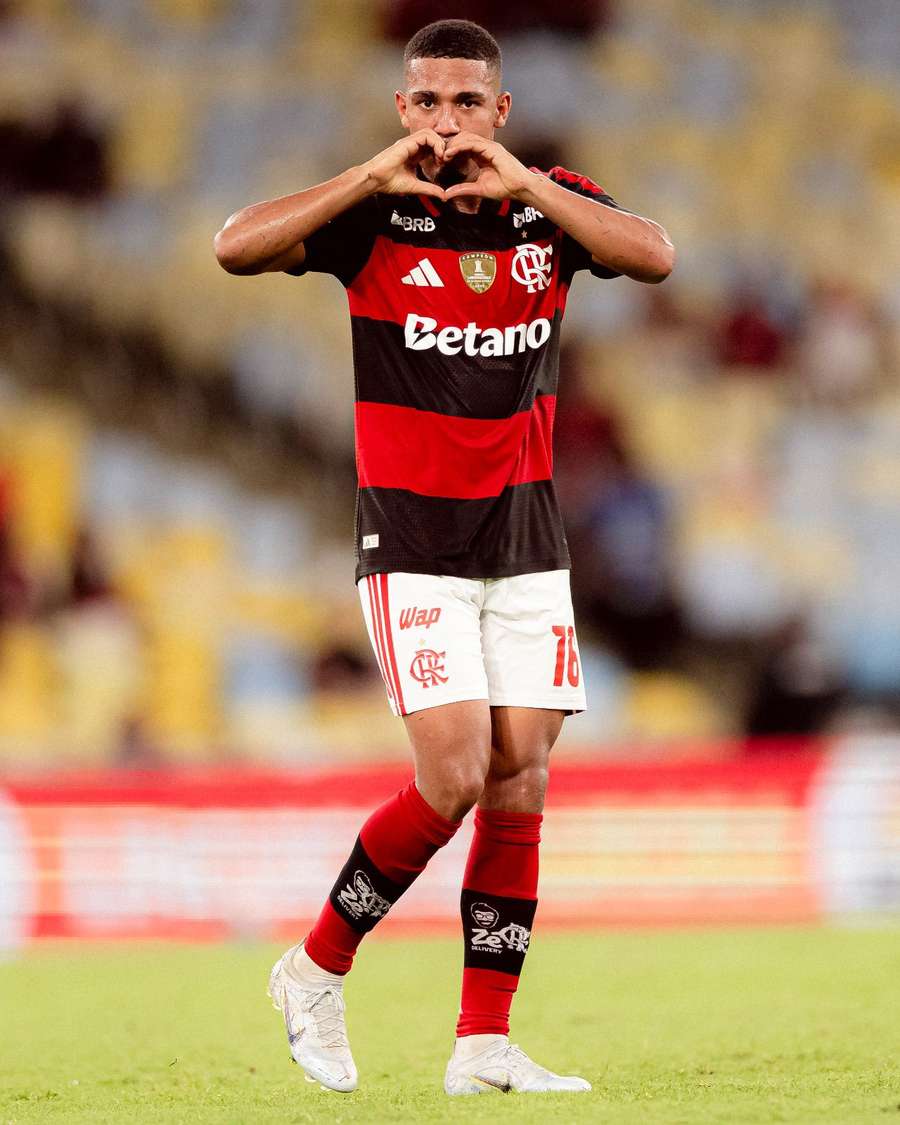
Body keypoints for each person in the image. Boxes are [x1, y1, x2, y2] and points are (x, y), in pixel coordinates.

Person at [215, 18, 673, 1098]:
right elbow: (235, 245)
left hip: (524, 539)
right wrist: (370, 174)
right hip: (413, 540)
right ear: (401, 108)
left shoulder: (544, 206)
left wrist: (526, 182)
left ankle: (483, 1043)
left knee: (521, 779)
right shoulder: (372, 219)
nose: (446, 122)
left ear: (500, 113)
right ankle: (313, 970)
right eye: (426, 102)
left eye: (468, 103)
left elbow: (652, 255)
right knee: (457, 771)